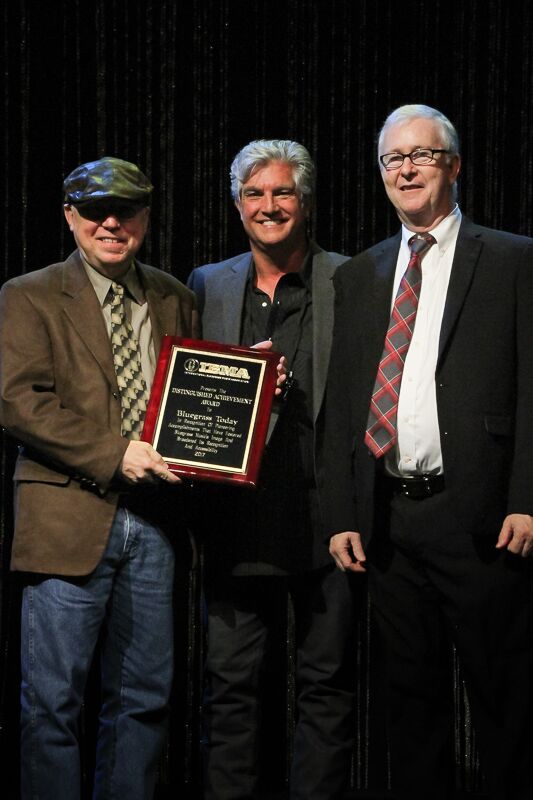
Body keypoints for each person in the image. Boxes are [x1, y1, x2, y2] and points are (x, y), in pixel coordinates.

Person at [321, 104, 533, 799]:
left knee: (505, 701)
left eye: (422, 155)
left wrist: (526, 499)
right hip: (391, 524)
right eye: (393, 158)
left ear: (454, 165)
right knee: (410, 710)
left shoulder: (511, 259)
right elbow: (345, 403)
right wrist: (343, 512)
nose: (406, 169)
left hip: (482, 519)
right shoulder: (359, 275)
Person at [0, 157, 199, 800]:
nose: (111, 223)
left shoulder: (175, 296)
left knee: (145, 698)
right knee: (53, 703)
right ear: (70, 216)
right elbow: (19, 403)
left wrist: (244, 388)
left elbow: (192, 399)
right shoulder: (28, 294)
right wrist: (116, 454)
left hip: (156, 521)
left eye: (126, 210)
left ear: (146, 217)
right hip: (68, 518)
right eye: (94, 211)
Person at [187, 139, 357, 800]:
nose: (269, 206)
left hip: (327, 518)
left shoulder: (351, 277)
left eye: (282, 192)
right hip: (237, 520)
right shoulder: (207, 282)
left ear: (305, 203)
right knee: (230, 688)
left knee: (327, 685)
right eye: (254, 194)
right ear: (237, 205)